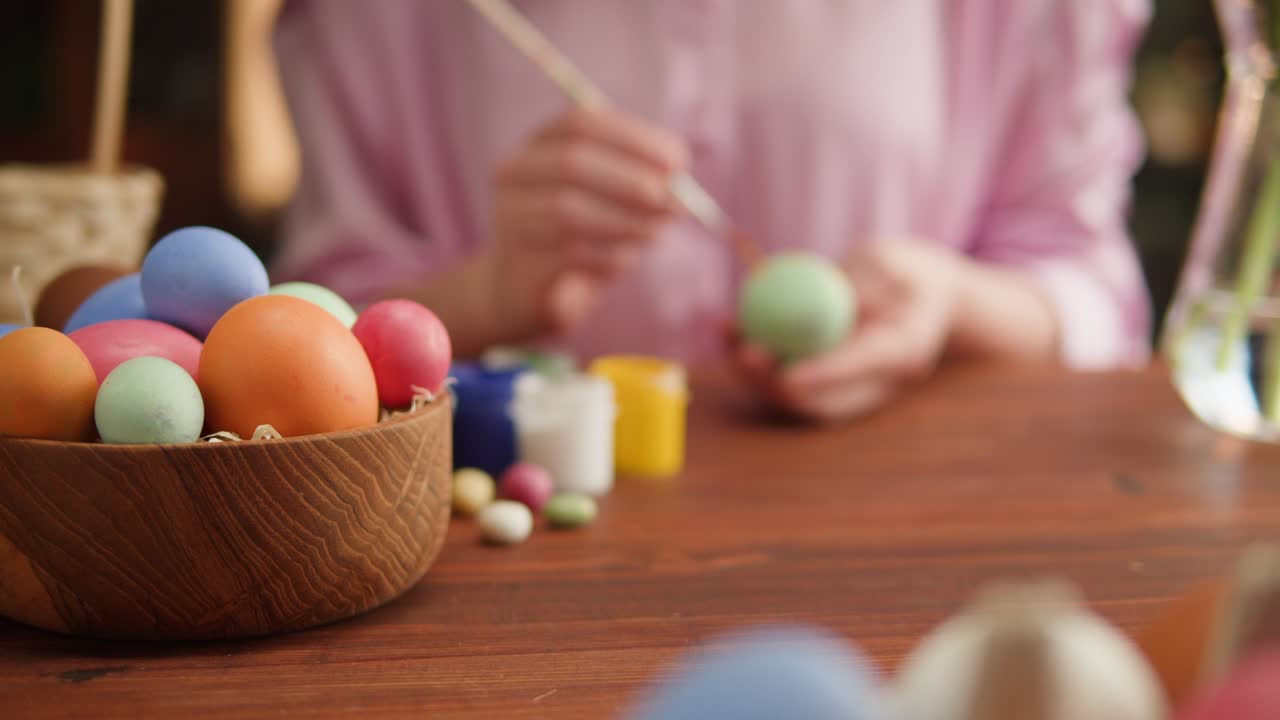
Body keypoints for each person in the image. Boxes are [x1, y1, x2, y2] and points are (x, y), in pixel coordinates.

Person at [270, 0, 1153, 423]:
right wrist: (485, 293)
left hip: (905, 553)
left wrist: (951, 300)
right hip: (510, 576)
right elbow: (291, 349)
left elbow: (1091, 289)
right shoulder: (376, 18)